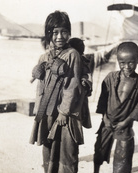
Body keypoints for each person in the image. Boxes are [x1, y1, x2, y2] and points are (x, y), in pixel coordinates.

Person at [29, 11, 90, 173]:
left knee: (67, 151)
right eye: (55, 32)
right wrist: (38, 111)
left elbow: (73, 85)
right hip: (48, 112)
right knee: (48, 149)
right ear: (48, 34)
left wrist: (64, 112)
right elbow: (40, 88)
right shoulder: (44, 57)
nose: (59, 36)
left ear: (69, 33)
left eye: (64, 32)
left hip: (66, 114)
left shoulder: (73, 55)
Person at [93, 42, 138, 173]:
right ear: (118, 61)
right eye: (122, 63)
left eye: (131, 63)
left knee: (123, 156)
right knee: (100, 149)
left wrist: (125, 122)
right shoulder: (110, 78)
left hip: (125, 124)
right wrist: (105, 118)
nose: (126, 67)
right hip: (107, 121)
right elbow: (102, 101)